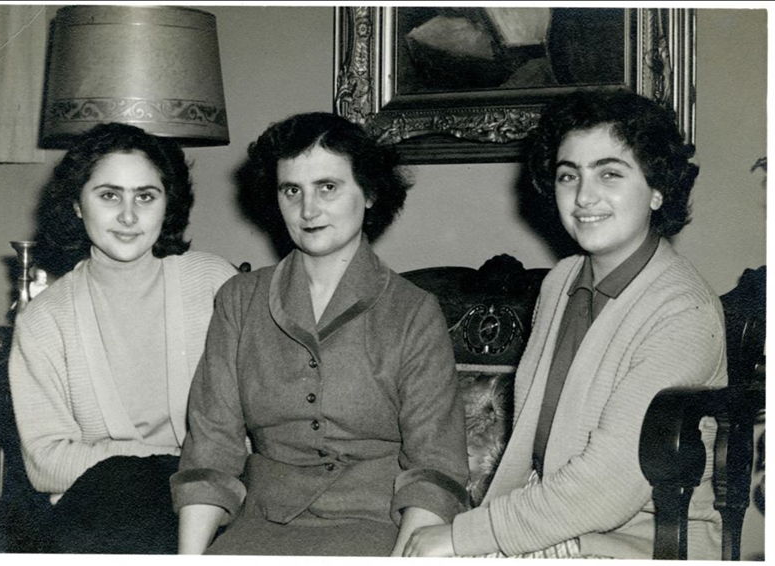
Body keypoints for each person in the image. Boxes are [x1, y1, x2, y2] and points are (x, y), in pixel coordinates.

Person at [404, 89, 727, 559]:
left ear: (658, 189)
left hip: (639, 545)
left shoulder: (683, 311)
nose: (583, 196)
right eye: (567, 175)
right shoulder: (562, 282)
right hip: (557, 525)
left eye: (609, 174)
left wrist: (464, 537)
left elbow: (609, 485)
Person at [170, 112, 469, 556]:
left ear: (368, 193)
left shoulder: (413, 311)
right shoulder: (239, 300)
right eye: (292, 190)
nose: (308, 210)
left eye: (327, 187)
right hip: (261, 524)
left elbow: (434, 469)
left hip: (379, 529)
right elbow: (211, 451)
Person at [6, 122, 238, 553]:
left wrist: (143, 460)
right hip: (103, 513)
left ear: (167, 204)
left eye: (145, 196)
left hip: (214, 503)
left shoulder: (213, 283)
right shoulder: (44, 319)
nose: (129, 216)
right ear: (77, 204)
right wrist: (170, 461)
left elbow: (255, 427)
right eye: (109, 195)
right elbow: (46, 462)